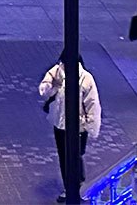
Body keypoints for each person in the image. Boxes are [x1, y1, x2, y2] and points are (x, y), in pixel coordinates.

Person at [38, 52, 102, 204]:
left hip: (78, 126)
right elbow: (44, 89)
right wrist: (52, 86)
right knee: (64, 156)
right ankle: (70, 186)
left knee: (76, 154)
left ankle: (78, 184)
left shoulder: (86, 79)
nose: (63, 66)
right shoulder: (58, 72)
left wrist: (89, 126)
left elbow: (92, 104)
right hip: (60, 124)